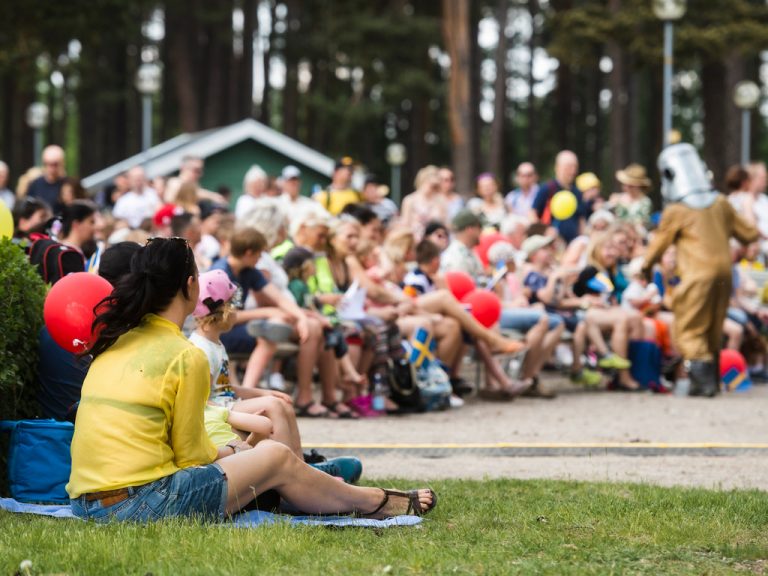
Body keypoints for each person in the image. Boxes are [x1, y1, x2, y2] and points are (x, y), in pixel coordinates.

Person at [67, 237, 437, 522]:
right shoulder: (184, 355)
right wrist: (240, 452)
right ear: (191, 286)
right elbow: (192, 457)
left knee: (268, 462)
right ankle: (370, 501)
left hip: (85, 504)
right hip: (140, 504)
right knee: (274, 454)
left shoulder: (116, 340)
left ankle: (309, 486)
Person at [642, 143, 759, 397]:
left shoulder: (677, 210)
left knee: (689, 328)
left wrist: (645, 266)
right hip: (724, 274)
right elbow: (749, 234)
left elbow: (658, 246)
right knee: (714, 327)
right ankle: (711, 381)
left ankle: (703, 384)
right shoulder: (721, 203)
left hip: (696, 276)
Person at [531, 150, 586, 244]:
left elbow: (581, 219)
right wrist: (545, 231)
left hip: (573, 243)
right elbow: (532, 214)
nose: (572, 171)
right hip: (552, 244)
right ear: (557, 167)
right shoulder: (547, 188)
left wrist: (583, 238)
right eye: (568, 167)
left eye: (575, 167)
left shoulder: (577, 192)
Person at [401, 165, 448, 239]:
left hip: (435, 241)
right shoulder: (409, 200)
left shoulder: (441, 200)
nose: (431, 189)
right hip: (415, 240)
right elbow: (405, 225)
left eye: (435, 186)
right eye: (430, 185)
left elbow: (444, 223)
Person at [609, 163, 653, 230]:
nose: (626, 187)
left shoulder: (645, 202)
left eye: (630, 186)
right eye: (624, 184)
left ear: (639, 186)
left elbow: (640, 223)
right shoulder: (617, 197)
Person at [27, 145, 66, 212]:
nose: (52, 168)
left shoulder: (68, 184)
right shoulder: (35, 184)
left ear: (62, 163)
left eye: (55, 164)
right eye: (48, 164)